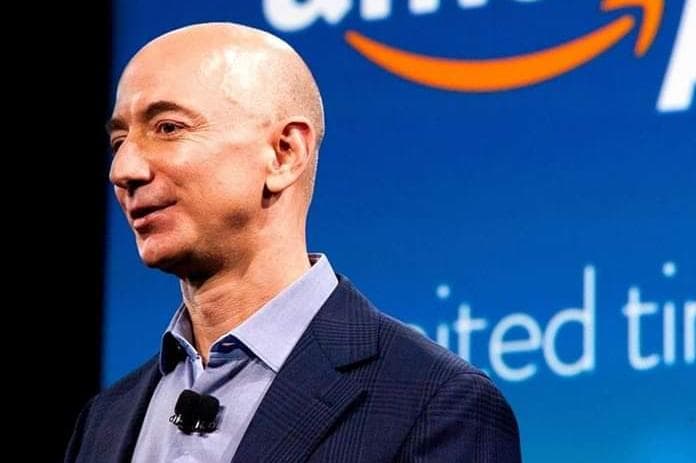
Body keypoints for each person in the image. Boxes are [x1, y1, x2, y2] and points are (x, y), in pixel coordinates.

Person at [66, 22, 521, 463]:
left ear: (284, 154)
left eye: (168, 128)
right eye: (119, 141)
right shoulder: (105, 421)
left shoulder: (434, 403)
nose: (123, 170)